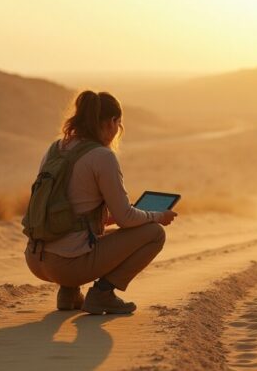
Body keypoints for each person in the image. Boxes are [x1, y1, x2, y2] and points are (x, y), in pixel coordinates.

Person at [24, 90, 177, 314]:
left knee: (86, 232)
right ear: (112, 122)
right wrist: (158, 216)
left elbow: (67, 207)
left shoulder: (56, 148)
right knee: (154, 233)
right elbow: (126, 219)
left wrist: (105, 219)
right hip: (67, 266)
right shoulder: (102, 156)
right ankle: (102, 294)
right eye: (119, 123)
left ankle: (68, 294)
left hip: (35, 258)